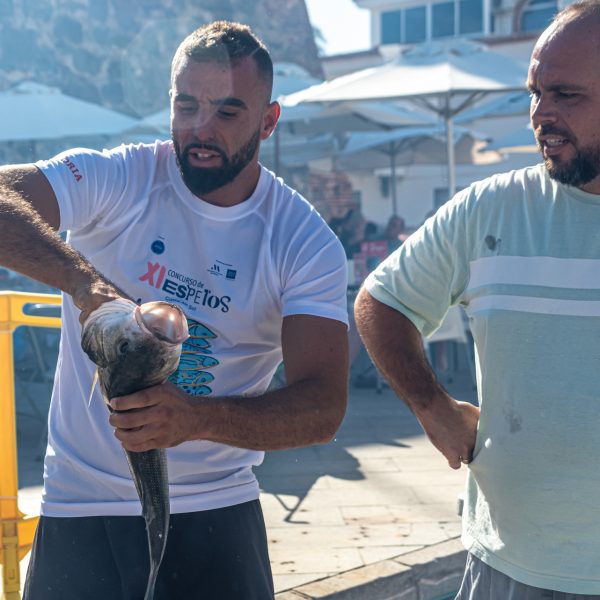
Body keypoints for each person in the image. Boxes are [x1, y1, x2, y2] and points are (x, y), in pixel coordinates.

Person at [0, 21, 349, 600]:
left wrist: (196, 419)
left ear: (268, 121)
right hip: (79, 507)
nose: (200, 129)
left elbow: (323, 408)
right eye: (186, 106)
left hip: (215, 511)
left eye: (228, 112)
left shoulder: (301, 239)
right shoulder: (124, 176)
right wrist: (84, 284)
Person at [354, 2, 600, 598]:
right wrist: (432, 406)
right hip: (511, 568)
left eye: (565, 95)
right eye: (535, 93)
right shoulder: (491, 209)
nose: (540, 114)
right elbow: (381, 302)